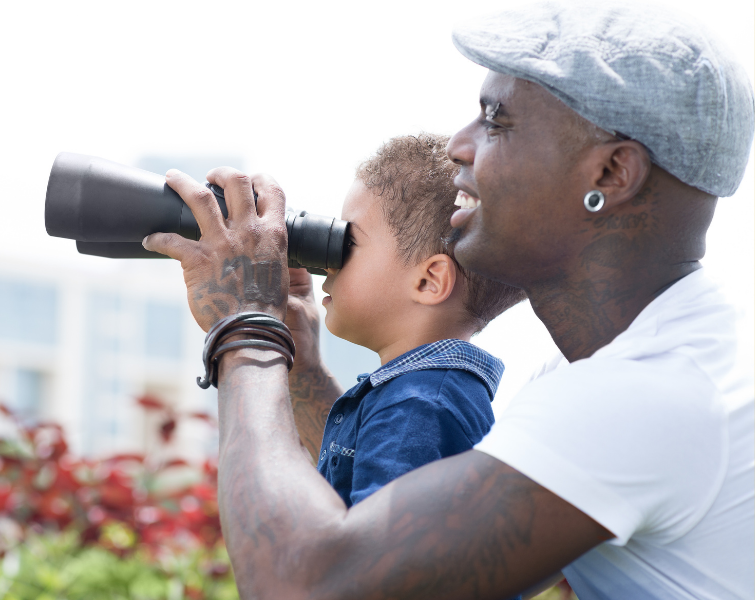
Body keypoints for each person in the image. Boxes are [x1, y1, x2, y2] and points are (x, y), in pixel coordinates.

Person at [143, 2, 754, 599]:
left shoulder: (651, 394)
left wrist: (246, 324)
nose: (460, 145)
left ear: (611, 174)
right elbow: (416, 541)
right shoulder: (622, 367)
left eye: (496, 121)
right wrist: (300, 367)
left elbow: (306, 582)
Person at [289, 133, 525, 507]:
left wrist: (248, 331)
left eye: (348, 242)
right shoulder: (420, 393)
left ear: (429, 280)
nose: (328, 262)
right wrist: (299, 363)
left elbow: (369, 554)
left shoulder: (418, 406)